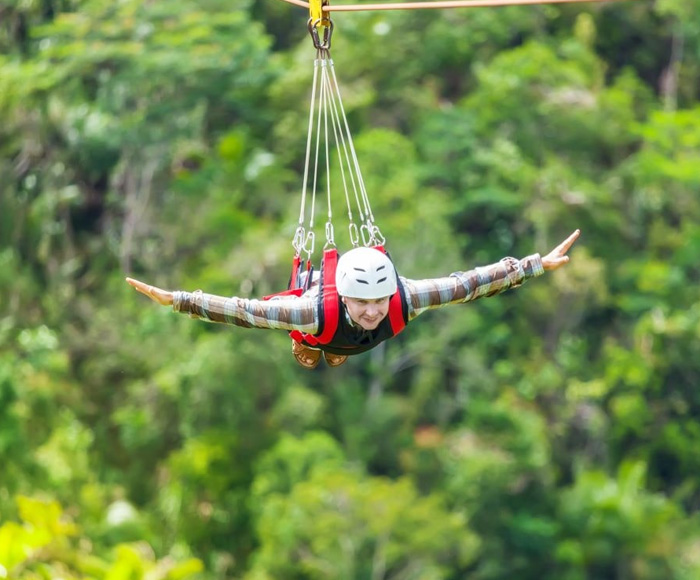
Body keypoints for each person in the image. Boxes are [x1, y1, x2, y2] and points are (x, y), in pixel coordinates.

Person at [126, 229, 580, 369]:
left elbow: (469, 284)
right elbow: (246, 311)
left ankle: (329, 350)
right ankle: (311, 347)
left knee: (348, 340)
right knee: (314, 341)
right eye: (362, 304)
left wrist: (536, 263)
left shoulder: (405, 299)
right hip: (319, 329)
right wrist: (179, 300)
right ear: (344, 298)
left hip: (340, 334)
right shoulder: (310, 309)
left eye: (379, 301)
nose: (373, 310)